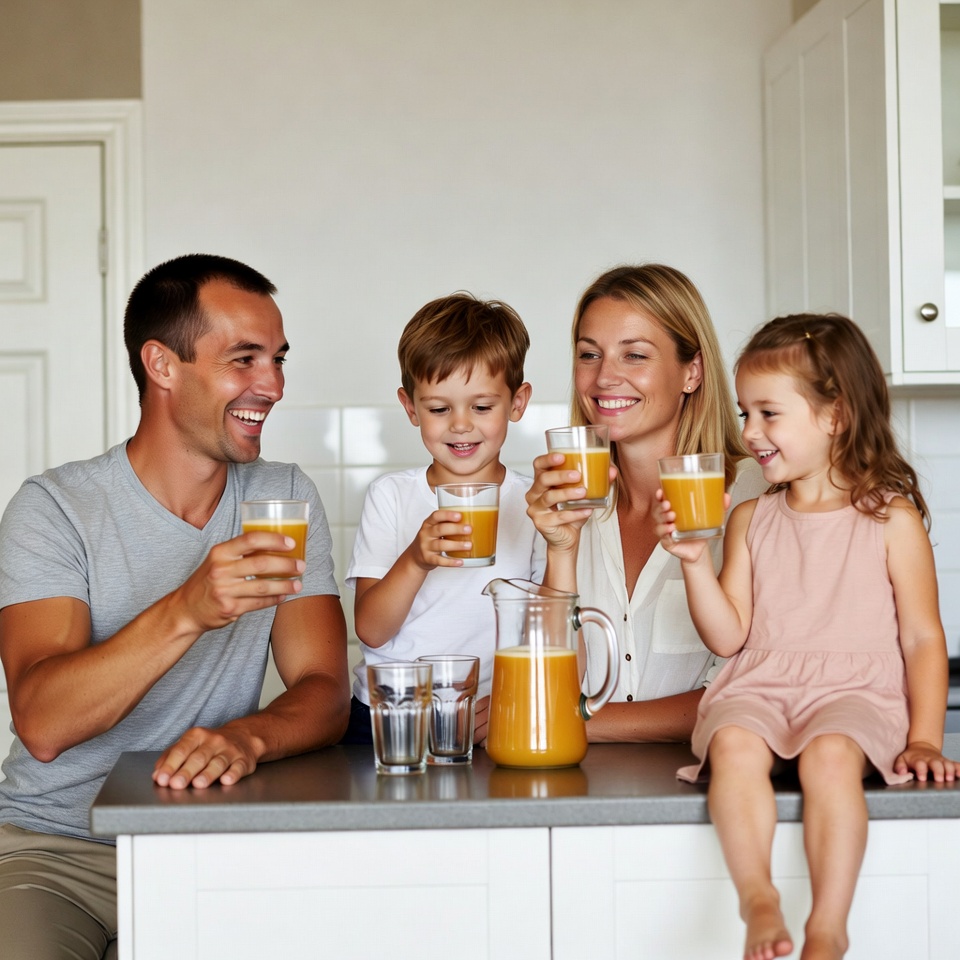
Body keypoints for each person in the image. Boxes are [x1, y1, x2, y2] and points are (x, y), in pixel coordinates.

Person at [0, 254, 350, 960]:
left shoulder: (279, 496)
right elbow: (42, 722)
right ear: (161, 365)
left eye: (278, 360)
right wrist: (189, 607)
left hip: (211, 847)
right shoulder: (56, 509)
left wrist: (247, 738)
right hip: (52, 852)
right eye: (244, 359)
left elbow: (325, 691)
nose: (273, 385)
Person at [656, 313, 957, 960]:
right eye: (745, 413)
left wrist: (926, 737)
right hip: (761, 683)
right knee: (734, 742)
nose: (749, 432)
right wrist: (690, 562)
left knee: (829, 755)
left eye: (768, 414)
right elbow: (729, 637)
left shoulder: (889, 518)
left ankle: (828, 924)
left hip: (855, 692)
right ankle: (758, 898)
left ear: (836, 417)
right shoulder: (749, 519)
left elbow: (923, 641)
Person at [525, 263, 767, 741]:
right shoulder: (562, 502)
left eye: (634, 356)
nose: (605, 378)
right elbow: (552, 682)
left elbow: (759, 686)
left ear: (691, 372)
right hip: (580, 788)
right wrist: (560, 550)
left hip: (705, 784)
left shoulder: (755, 496)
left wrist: (580, 722)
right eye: (589, 355)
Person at [342, 293, 545, 743]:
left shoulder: (533, 503)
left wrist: (515, 701)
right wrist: (416, 559)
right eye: (439, 408)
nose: (460, 425)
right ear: (410, 407)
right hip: (389, 717)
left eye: (482, 406)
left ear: (518, 402)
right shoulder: (392, 497)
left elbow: (542, 633)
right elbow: (372, 631)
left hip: (486, 718)